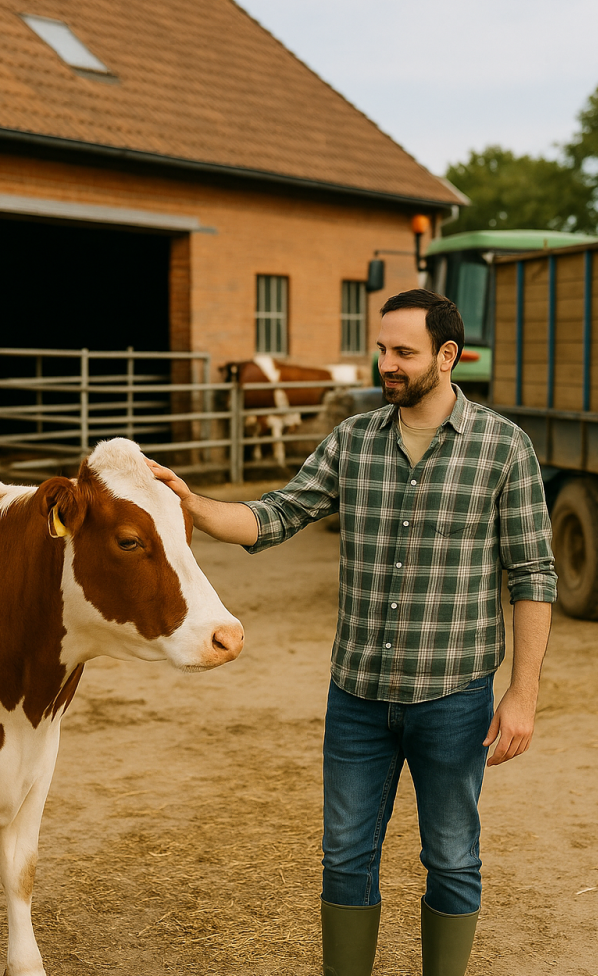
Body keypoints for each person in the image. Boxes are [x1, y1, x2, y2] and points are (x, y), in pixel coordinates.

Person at [148, 288, 556, 976]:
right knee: (344, 860)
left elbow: (533, 573)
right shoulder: (353, 441)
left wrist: (522, 694)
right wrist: (191, 503)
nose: (385, 363)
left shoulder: (503, 448)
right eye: (381, 348)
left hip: (453, 698)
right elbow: (274, 516)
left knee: (453, 860)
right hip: (358, 699)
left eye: (403, 352)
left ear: (446, 356)